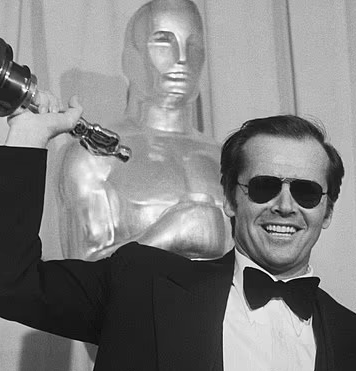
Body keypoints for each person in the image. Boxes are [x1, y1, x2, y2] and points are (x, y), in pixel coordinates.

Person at [0, 93, 356, 371]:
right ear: (229, 199)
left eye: (307, 192)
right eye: (264, 187)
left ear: (327, 211)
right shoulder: (143, 287)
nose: (285, 206)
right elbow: (7, 283)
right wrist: (28, 135)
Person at [58, 0, 231, 261]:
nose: (182, 58)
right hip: (138, 289)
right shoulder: (93, 156)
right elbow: (83, 272)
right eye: (163, 42)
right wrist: (170, 234)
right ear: (130, 58)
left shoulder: (227, 159)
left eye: (193, 45)